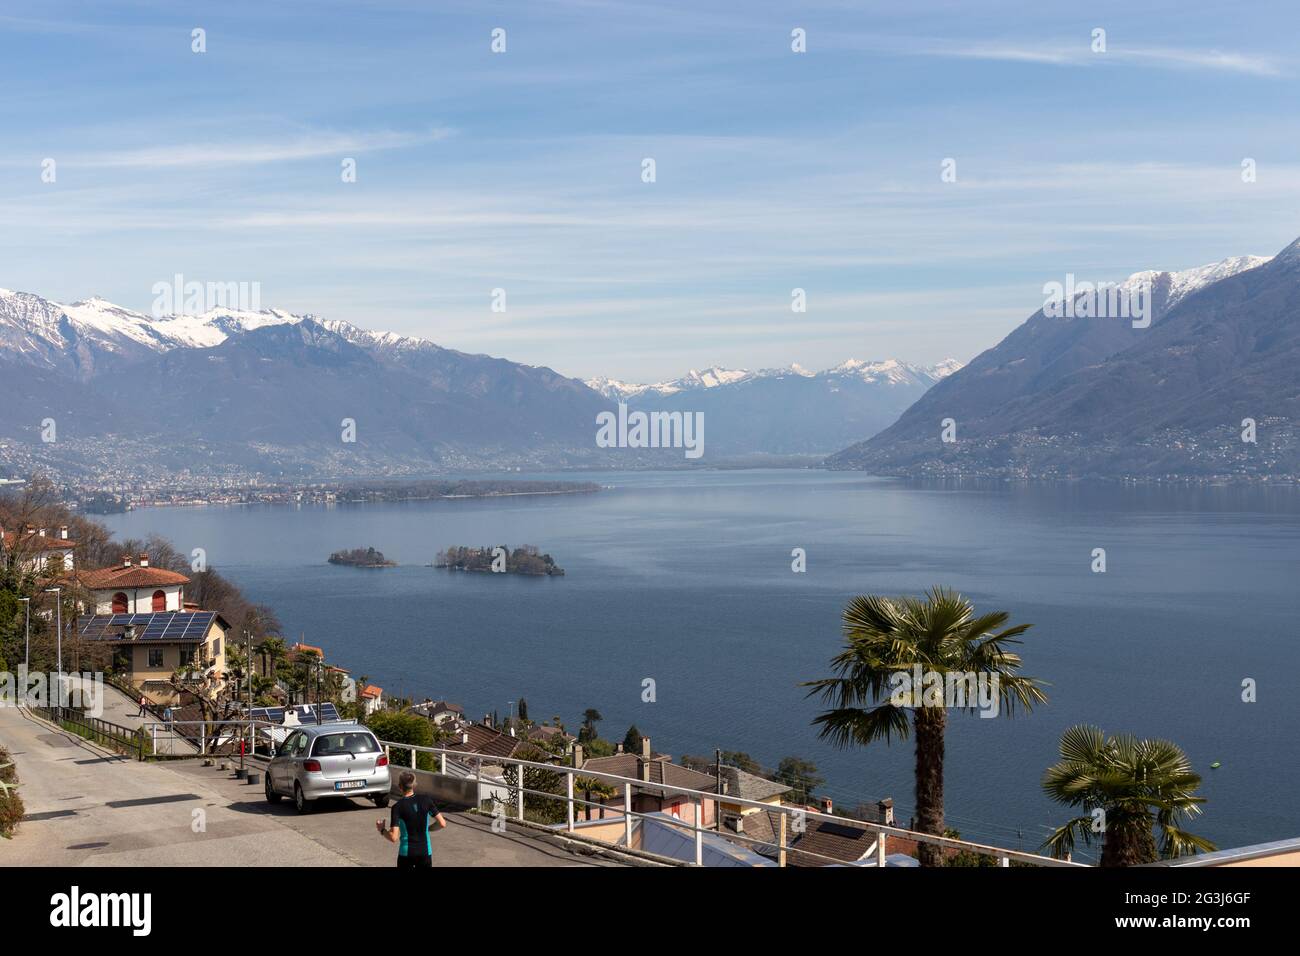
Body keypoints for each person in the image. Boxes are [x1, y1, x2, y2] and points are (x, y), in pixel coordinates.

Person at [377, 770, 446, 868]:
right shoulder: (426, 800)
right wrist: (428, 828)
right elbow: (442, 823)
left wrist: (382, 830)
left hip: (406, 854)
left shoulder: (397, 807)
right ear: (414, 785)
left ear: (400, 786)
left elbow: (393, 837)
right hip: (425, 852)